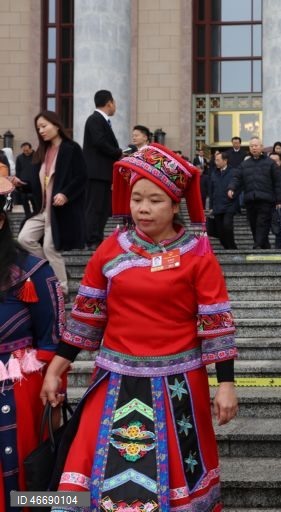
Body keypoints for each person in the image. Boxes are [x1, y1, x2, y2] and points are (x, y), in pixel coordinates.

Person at [41, 143, 238, 510]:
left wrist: (225, 383)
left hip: (178, 384)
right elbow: (87, 315)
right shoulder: (111, 248)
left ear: (175, 204)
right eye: (137, 199)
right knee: (89, 473)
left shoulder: (198, 253)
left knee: (176, 475)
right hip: (114, 378)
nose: (143, 209)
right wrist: (57, 366)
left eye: (155, 201)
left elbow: (215, 322)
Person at [0, 175, 65, 508]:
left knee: (23, 484)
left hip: (17, 390)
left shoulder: (32, 271)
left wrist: (53, 394)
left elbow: (52, 339)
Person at [13, 111, 87, 295]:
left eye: (44, 126)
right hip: (41, 210)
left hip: (59, 211)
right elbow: (36, 184)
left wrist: (65, 194)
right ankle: (54, 272)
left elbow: (81, 177)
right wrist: (22, 185)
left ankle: (61, 290)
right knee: (24, 239)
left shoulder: (71, 148)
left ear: (56, 125)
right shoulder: (41, 152)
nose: (41, 131)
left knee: (49, 247)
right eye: (38, 128)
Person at [227, 137, 281, 249]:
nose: (254, 148)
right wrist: (231, 188)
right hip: (250, 200)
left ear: (261, 147)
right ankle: (264, 245)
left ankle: (257, 245)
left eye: (256, 145)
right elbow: (237, 177)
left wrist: (279, 200)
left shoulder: (270, 163)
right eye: (251, 146)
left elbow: (278, 183)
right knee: (253, 224)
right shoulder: (245, 164)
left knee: (262, 222)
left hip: (266, 200)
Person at [83, 89, 122, 250]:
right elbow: (100, 142)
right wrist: (118, 152)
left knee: (103, 208)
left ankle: (97, 237)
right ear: (109, 103)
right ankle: (91, 239)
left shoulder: (101, 120)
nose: (115, 107)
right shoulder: (95, 119)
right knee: (94, 207)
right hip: (96, 173)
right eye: (114, 103)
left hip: (103, 173)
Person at [209, 150, 238, 249]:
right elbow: (211, 191)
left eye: (218, 160)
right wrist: (211, 206)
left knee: (227, 226)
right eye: (215, 160)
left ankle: (233, 248)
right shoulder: (214, 173)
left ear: (225, 161)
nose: (215, 162)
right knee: (220, 231)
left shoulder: (233, 171)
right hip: (217, 206)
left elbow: (235, 182)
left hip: (229, 205)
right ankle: (227, 247)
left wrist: (232, 190)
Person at [13, 141, 37, 222]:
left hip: (34, 184)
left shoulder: (37, 156)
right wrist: (17, 181)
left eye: (27, 150)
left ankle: (36, 215)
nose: (25, 152)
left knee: (34, 201)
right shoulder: (19, 158)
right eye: (23, 151)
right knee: (24, 200)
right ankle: (28, 217)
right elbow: (18, 170)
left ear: (31, 148)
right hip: (22, 183)